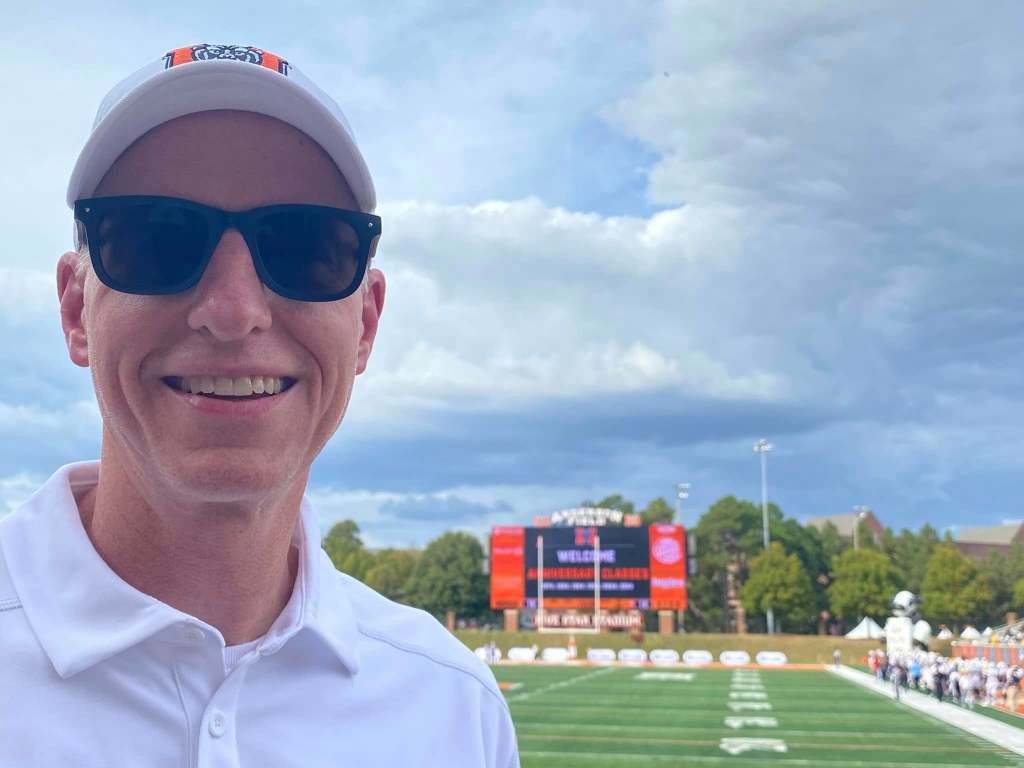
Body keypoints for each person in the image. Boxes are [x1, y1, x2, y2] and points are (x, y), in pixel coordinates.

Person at [0, 44, 520, 767]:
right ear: (75, 311)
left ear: (365, 326)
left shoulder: (453, 706)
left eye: (306, 246)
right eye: (157, 237)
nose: (234, 310)